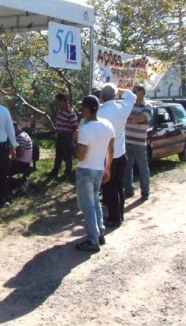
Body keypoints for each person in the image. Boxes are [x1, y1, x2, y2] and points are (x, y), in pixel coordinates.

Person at [74, 95, 115, 253]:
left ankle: (92, 240)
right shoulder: (107, 125)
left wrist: (73, 145)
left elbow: (81, 155)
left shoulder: (84, 130)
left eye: (82, 107)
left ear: (86, 109)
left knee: (87, 205)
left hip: (85, 170)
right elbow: (110, 149)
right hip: (99, 168)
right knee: (96, 201)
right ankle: (100, 232)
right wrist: (108, 168)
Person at [98, 84, 135, 227]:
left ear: (102, 97)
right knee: (119, 187)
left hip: (107, 156)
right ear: (114, 96)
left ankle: (114, 219)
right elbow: (132, 96)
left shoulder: (100, 112)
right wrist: (120, 90)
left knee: (110, 189)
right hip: (121, 153)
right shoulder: (122, 108)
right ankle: (119, 215)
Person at [124, 84, 152, 200]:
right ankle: (129, 190)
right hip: (127, 140)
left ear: (141, 92)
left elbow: (139, 119)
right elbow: (127, 117)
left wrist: (131, 117)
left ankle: (145, 192)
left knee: (142, 167)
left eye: (135, 91)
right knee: (127, 167)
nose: (133, 93)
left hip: (140, 143)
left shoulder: (148, 106)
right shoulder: (130, 104)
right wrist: (133, 118)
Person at [48, 93, 79, 178]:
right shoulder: (61, 111)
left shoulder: (70, 112)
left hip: (67, 136)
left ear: (63, 101)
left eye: (58, 102)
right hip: (60, 135)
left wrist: (73, 140)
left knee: (67, 155)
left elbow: (75, 127)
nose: (57, 104)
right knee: (58, 154)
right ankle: (55, 171)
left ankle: (67, 172)